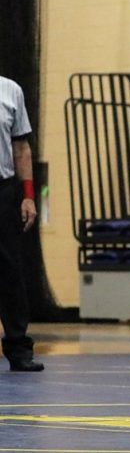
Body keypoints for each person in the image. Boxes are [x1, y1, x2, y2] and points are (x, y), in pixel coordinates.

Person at [0, 76, 43, 372]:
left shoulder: (10, 90)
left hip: (2, 189)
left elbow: (21, 148)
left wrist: (28, 195)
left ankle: (18, 347)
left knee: (9, 268)